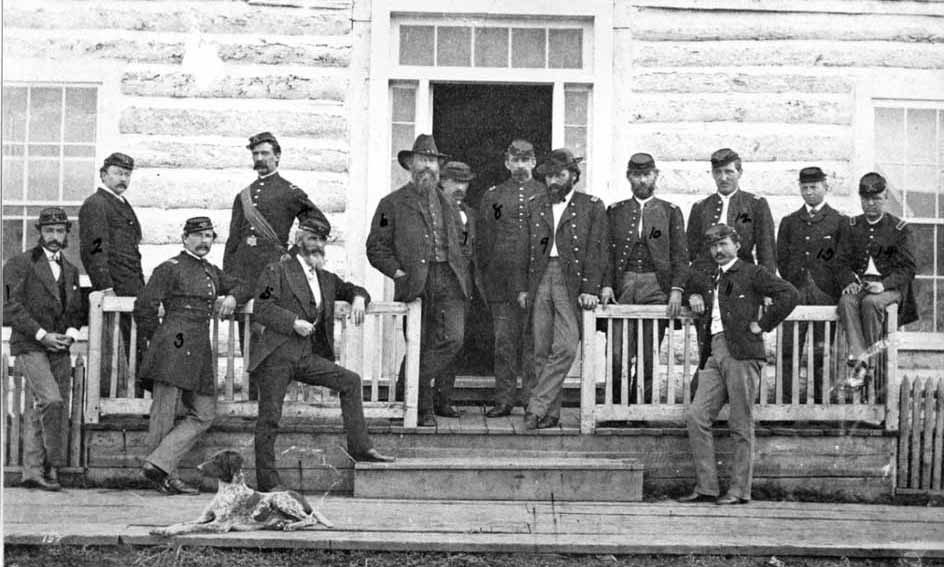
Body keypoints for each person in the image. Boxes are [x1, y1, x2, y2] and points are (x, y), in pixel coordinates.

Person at [250, 218, 394, 492]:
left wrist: (360, 298)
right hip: (277, 355)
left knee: (350, 381)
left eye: (321, 240)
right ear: (298, 238)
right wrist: (293, 321)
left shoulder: (326, 278)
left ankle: (361, 449)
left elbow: (353, 289)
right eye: (312, 239)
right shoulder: (277, 270)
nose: (317, 245)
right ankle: (268, 482)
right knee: (269, 417)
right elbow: (263, 308)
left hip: (306, 357)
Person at [680, 224, 798, 505]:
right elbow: (687, 283)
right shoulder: (710, 275)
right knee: (697, 416)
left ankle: (738, 490)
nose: (718, 251)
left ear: (737, 245)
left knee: (740, 422)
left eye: (723, 244)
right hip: (714, 351)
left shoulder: (752, 272)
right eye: (713, 246)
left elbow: (789, 294)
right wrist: (691, 295)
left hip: (742, 353)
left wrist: (763, 324)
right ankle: (707, 487)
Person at [136, 217, 249, 495]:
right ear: (184, 238)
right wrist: (159, 341)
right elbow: (144, 307)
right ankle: (164, 475)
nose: (204, 241)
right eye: (198, 236)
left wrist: (233, 297)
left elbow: (244, 285)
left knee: (204, 413)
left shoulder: (211, 271)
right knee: (164, 412)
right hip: (173, 343)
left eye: (209, 236)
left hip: (198, 349)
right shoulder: (169, 268)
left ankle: (157, 463)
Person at [366, 134, 473, 427]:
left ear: (439, 168)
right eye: (422, 161)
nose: (428, 167)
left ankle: (407, 384)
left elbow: (460, 240)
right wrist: (399, 273)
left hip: (449, 279)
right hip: (416, 282)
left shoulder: (447, 203)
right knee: (419, 343)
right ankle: (421, 408)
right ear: (410, 164)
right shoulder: (392, 204)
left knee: (453, 338)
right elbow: (376, 247)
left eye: (432, 162)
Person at [223, 132, 330, 399]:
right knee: (246, 338)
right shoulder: (244, 195)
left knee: (270, 340)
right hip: (244, 276)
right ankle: (251, 400)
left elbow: (320, 224)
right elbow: (233, 240)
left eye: (265, 154)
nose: (259, 158)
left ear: (277, 156)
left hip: (273, 275)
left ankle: (270, 402)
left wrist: (291, 253)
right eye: (255, 154)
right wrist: (228, 279)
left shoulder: (289, 192)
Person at [517, 148, 608, 430]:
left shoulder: (591, 205)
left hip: (571, 280)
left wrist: (591, 287)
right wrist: (522, 287)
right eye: (549, 176)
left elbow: (598, 249)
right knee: (541, 349)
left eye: (560, 175)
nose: (553, 181)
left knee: (567, 346)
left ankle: (536, 406)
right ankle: (550, 414)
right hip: (540, 277)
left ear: (574, 176)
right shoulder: (535, 203)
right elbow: (523, 248)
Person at [3, 208, 85, 491]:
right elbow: (8, 307)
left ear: (66, 234)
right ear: (40, 232)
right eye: (49, 231)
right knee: (51, 401)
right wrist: (42, 335)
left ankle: (35, 471)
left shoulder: (72, 270)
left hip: (59, 348)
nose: (54, 237)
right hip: (30, 345)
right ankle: (54, 464)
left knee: (48, 408)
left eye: (59, 231)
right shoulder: (20, 264)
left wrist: (70, 337)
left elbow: (77, 311)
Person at [600, 153, 688, 404]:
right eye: (636, 175)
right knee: (617, 352)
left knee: (648, 353)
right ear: (629, 177)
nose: (642, 180)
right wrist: (606, 284)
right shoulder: (616, 211)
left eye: (646, 175)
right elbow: (605, 252)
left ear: (655, 176)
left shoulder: (670, 212)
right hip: (623, 285)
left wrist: (676, 289)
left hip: (656, 287)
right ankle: (617, 406)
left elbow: (680, 255)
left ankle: (643, 408)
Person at [477, 140, 545, 417]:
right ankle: (504, 399)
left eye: (525, 160)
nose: (519, 165)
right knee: (504, 342)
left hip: (536, 281)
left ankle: (531, 400)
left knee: (534, 342)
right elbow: (484, 241)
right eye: (514, 160)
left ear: (534, 162)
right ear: (506, 162)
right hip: (501, 284)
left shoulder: (544, 193)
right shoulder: (493, 196)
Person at [836, 172, 917, 389]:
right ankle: (862, 360)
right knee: (846, 301)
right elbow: (840, 261)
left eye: (876, 199)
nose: (870, 204)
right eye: (865, 199)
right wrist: (849, 281)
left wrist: (884, 285)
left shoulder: (899, 228)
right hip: (862, 286)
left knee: (872, 302)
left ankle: (864, 362)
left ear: (885, 198)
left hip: (890, 288)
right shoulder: (851, 226)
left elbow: (908, 269)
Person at [776, 166, 845, 403]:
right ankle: (786, 403)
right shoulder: (789, 222)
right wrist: (792, 285)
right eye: (804, 188)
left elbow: (842, 260)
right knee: (788, 349)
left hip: (825, 294)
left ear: (825, 187)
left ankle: (822, 405)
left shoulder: (838, 221)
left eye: (814, 187)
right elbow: (781, 259)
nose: (809, 192)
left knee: (822, 352)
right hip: (794, 293)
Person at [79, 152, 145, 396]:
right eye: (118, 173)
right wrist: (105, 285)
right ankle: (128, 394)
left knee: (137, 340)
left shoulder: (121, 203)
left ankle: (139, 392)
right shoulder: (96, 204)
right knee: (118, 344)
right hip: (115, 286)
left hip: (132, 284)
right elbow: (94, 248)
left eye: (127, 174)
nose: (123, 178)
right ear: (104, 175)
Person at [687, 148, 776, 280]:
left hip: (744, 278)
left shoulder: (755, 204)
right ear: (712, 174)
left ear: (739, 173)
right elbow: (692, 251)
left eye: (729, 172)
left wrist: (768, 286)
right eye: (718, 172)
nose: (723, 178)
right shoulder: (700, 207)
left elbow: (766, 250)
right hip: (706, 279)